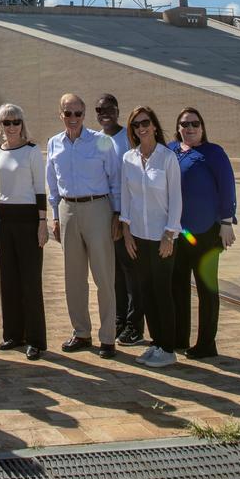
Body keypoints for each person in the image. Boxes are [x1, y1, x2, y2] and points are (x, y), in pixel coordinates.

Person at [46, 92, 120, 358]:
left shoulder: (101, 142)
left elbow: (115, 180)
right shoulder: (54, 144)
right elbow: (52, 184)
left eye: (78, 113)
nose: (73, 118)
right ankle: (81, 332)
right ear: (61, 114)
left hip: (98, 208)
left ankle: (108, 336)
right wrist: (55, 215)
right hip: (68, 210)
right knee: (74, 278)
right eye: (68, 113)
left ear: (85, 114)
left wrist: (117, 215)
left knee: (103, 276)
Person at [169, 105, 237, 359]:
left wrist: (227, 223)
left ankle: (206, 343)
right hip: (179, 232)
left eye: (194, 124)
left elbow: (227, 188)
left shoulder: (213, 153)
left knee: (207, 288)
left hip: (207, 231)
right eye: (184, 124)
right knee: (178, 285)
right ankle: (179, 337)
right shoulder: (171, 150)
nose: (189, 129)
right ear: (178, 128)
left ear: (202, 127)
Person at [120, 105, 182, 368]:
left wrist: (170, 234)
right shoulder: (129, 159)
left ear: (154, 125)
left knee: (161, 292)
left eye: (145, 122)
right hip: (138, 237)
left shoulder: (167, 158)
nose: (141, 128)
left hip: (161, 238)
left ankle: (168, 348)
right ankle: (156, 343)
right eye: (136, 124)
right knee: (144, 293)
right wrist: (126, 231)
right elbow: (126, 197)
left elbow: (176, 199)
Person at [0, 103, 47, 360]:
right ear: (0, 126)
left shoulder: (32, 152)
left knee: (30, 280)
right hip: (3, 218)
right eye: (6, 122)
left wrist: (43, 222)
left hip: (28, 219)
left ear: (22, 124)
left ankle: (35, 339)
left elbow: (40, 188)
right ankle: (13, 334)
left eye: (15, 121)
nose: (11, 127)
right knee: (8, 279)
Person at [95, 93, 145, 347]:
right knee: (113, 272)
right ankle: (118, 319)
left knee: (131, 271)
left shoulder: (128, 137)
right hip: (105, 215)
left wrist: (122, 217)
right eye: (100, 109)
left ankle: (135, 325)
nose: (105, 113)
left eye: (109, 109)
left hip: (127, 216)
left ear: (117, 110)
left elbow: (131, 180)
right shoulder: (96, 140)